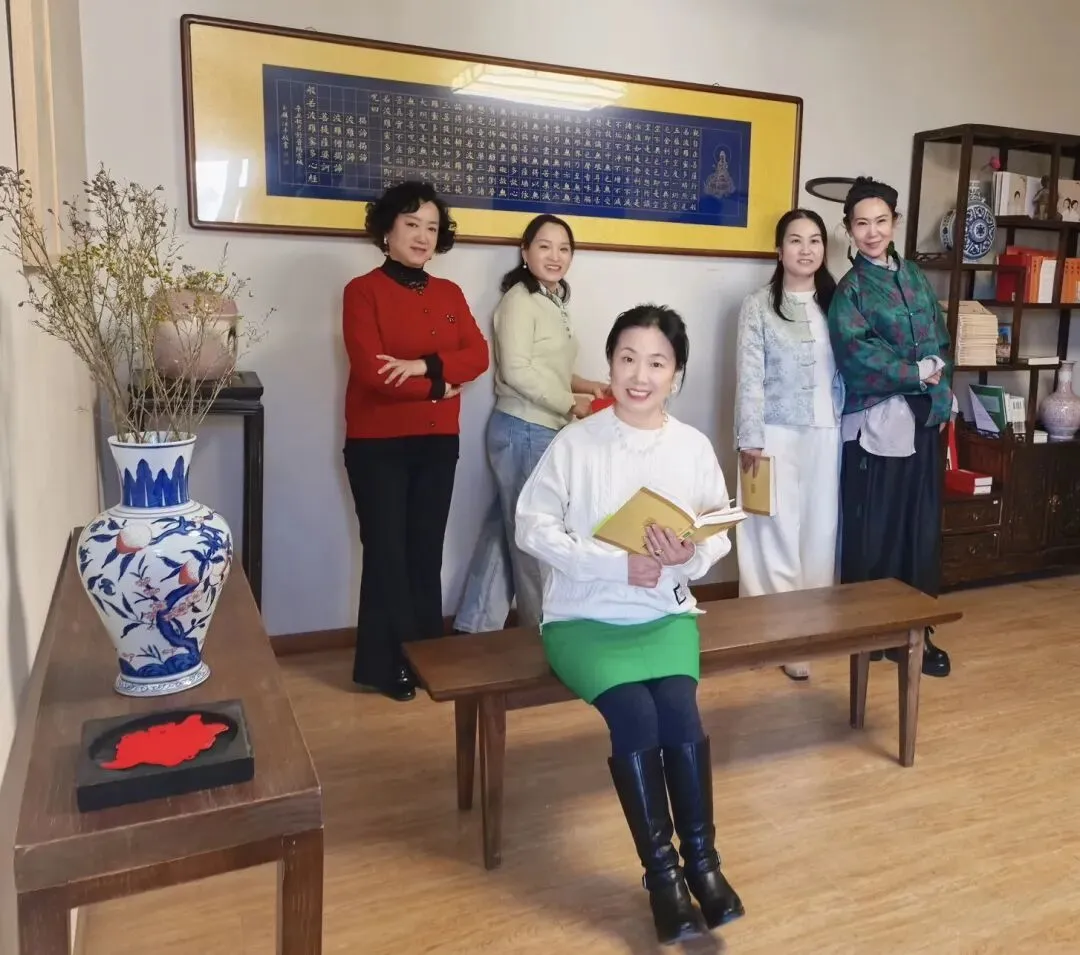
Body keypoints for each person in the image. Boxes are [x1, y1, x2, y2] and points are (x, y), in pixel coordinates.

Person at [515, 305, 743, 944]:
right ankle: (664, 879)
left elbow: (716, 531)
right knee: (637, 718)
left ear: (676, 374)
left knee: (680, 714)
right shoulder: (575, 442)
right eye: (627, 359)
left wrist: (686, 556)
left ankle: (705, 866)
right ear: (611, 364)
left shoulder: (691, 446)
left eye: (657, 363)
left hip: (663, 614)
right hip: (583, 618)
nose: (640, 376)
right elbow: (531, 526)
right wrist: (614, 564)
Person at [341, 181, 489, 701]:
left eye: (431, 227)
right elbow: (374, 371)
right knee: (387, 553)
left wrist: (424, 367)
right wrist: (441, 386)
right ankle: (385, 666)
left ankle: (429, 658)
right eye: (411, 225)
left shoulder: (449, 294)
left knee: (425, 551)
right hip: (377, 445)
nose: (423, 236)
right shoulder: (362, 291)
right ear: (387, 230)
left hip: (437, 442)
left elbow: (478, 355)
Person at [454, 214, 608, 635]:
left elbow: (549, 367)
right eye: (544, 246)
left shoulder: (552, 300)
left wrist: (587, 385)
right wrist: (570, 403)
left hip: (537, 429)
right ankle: (539, 631)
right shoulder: (519, 300)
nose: (555, 256)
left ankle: (474, 626)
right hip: (523, 429)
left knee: (505, 528)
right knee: (532, 537)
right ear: (525, 252)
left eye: (564, 248)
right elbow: (518, 371)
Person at [827, 176, 952, 677]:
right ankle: (872, 630)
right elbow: (856, 357)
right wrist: (915, 373)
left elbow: (940, 337)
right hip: (878, 425)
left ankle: (917, 633)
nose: (873, 232)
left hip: (924, 418)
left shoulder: (915, 275)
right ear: (849, 229)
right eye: (862, 223)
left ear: (895, 223)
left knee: (917, 529)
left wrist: (938, 387)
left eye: (881, 221)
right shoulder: (851, 290)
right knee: (876, 530)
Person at [734, 208, 842, 682]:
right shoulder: (758, 305)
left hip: (827, 429)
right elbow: (749, 376)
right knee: (772, 530)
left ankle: (808, 630)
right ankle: (775, 632)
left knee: (820, 529)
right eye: (795, 240)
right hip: (772, 433)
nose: (805, 249)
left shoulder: (838, 304)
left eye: (815, 240)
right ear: (779, 250)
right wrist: (749, 437)